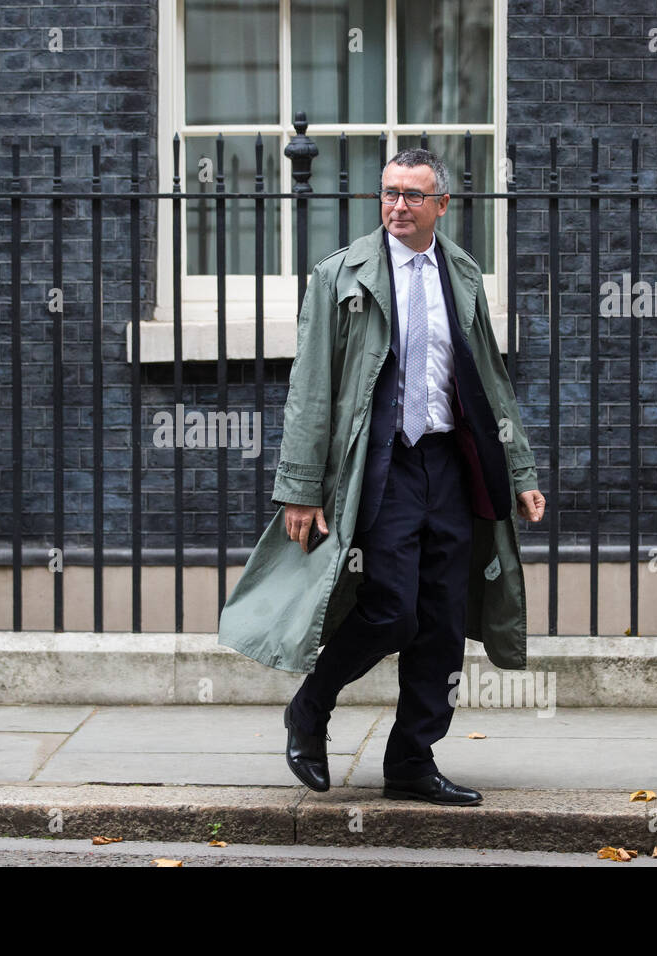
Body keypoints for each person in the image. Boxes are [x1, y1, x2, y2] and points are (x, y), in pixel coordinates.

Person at [218, 147, 544, 805]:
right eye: (389, 192)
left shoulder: (463, 275)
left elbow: (489, 380)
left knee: (443, 621)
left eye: (412, 195)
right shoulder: (341, 277)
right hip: (383, 468)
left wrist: (521, 468)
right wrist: (301, 487)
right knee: (392, 609)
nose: (398, 205)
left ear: (441, 205)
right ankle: (309, 707)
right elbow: (310, 388)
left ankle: (411, 762)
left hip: (450, 467)